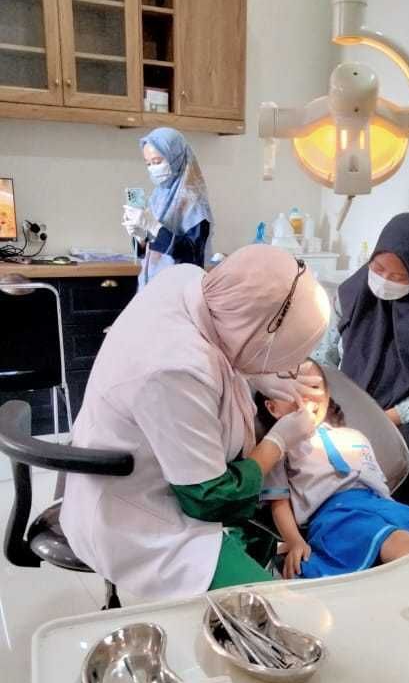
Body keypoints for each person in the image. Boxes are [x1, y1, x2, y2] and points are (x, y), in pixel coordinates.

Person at [60, 247, 330, 601]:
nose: (287, 369)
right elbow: (208, 499)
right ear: (260, 337)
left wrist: (256, 373)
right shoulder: (176, 368)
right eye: (285, 356)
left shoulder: (189, 281)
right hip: (140, 518)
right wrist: (278, 442)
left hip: (144, 463)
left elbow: (228, 341)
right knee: (274, 611)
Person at [314, 213, 409, 516]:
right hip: (354, 402)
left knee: (402, 464)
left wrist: (381, 418)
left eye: (398, 277)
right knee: (318, 456)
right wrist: (319, 398)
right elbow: (324, 358)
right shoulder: (351, 295)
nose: (384, 280)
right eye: (378, 268)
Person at [257, 360, 409, 580]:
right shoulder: (279, 447)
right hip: (336, 515)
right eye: (293, 388)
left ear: (326, 395)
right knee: (403, 544)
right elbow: (279, 503)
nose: (305, 395)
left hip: (383, 505)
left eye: (313, 387)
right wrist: (295, 541)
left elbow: (380, 484)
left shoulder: (354, 436)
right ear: (272, 408)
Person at [122, 127, 213, 288]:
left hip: (179, 290)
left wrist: (154, 227)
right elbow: (150, 252)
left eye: (157, 162)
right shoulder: (158, 196)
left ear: (175, 157)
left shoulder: (194, 202)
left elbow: (192, 255)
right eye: (148, 163)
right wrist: (141, 237)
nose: (152, 168)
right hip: (152, 287)